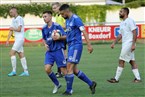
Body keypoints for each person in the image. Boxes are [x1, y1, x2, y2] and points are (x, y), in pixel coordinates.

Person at [59, 4, 97, 95]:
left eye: (62, 13)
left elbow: (84, 31)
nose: (61, 15)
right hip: (71, 46)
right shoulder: (67, 20)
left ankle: (69, 90)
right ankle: (91, 84)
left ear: (67, 11)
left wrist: (89, 45)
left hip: (76, 46)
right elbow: (68, 34)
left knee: (69, 67)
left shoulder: (76, 19)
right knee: (74, 70)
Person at [107, 7, 141, 83]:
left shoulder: (130, 21)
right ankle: (138, 79)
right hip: (125, 44)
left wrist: (133, 44)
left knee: (121, 60)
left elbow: (135, 32)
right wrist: (114, 43)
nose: (119, 13)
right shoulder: (122, 23)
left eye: (121, 11)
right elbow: (120, 35)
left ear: (125, 13)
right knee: (132, 61)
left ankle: (116, 79)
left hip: (129, 44)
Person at [42, 11, 67, 94]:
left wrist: (58, 37)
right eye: (43, 17)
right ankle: (57, 84)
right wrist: (45, 44)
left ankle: (69, 88)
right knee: (47, 69)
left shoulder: (57, 26)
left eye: (45, 16)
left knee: (63, 71)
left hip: (58, 50)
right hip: (49, 52)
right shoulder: (44, 28)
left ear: (50, 17)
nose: (44, 18)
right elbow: (44, 39)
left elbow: (65, 36)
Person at [6, 7, 29, 76]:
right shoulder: (13, 19)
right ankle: (26, 72)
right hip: (18, 39)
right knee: (20, 54)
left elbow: (19, 29)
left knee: (11, 53)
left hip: (20, 39)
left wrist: (12, 28)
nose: (10, 14)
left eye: (11, 12)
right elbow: (11, 30)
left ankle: (14, 71)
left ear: (15, 11)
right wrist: (7, 40)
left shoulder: (20, 19)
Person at [52, 2, 66, 78]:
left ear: (59, 7)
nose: (53, 10)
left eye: (55, 8)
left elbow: (65, 25)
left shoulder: (62, 15)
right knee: (61, 54)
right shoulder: (57, 15)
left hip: (63, 36)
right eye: (53, 8)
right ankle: (61, 71)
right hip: (59, 37)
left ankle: (62, 71)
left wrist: (58, 30)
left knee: (62, 54)